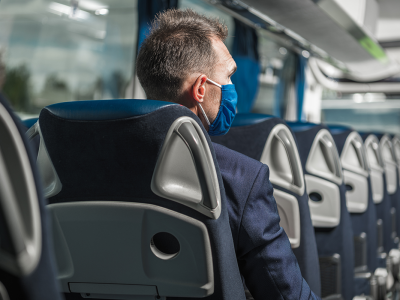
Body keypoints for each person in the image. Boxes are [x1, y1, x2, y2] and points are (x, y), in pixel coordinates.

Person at [137, 8, 320, 300]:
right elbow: (285, 293)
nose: (231, 88)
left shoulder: (76, 161)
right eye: (228, 76)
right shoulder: (240, 178)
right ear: (200, 89)